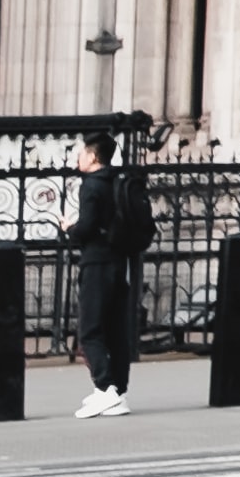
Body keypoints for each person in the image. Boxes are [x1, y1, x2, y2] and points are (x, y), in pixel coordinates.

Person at [68, 126, 149, 412]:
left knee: (90, 329)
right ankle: (118, 391)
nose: (78, 159)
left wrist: (70, 229)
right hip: (119, 261)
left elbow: (87, 227)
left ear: (92, 156)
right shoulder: (118, 181)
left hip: (96, 262)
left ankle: (104, 387)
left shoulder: (91, 185)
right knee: (116, 329)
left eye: (81, 153)